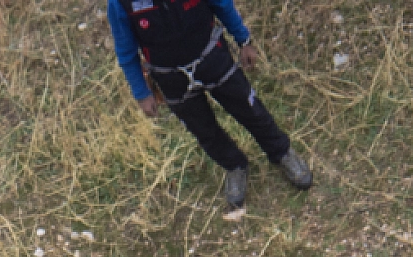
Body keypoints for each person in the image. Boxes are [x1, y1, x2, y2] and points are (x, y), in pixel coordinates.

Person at [106, 0, 312, 211]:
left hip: (213, 57)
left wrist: (244, 40)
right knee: (204, 131)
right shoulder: (121, 3)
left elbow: (222, 5)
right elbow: (126, 51)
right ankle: (234, 166)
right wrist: (141, 93)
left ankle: (281, 152)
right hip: (171, 79)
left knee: (250, 110)